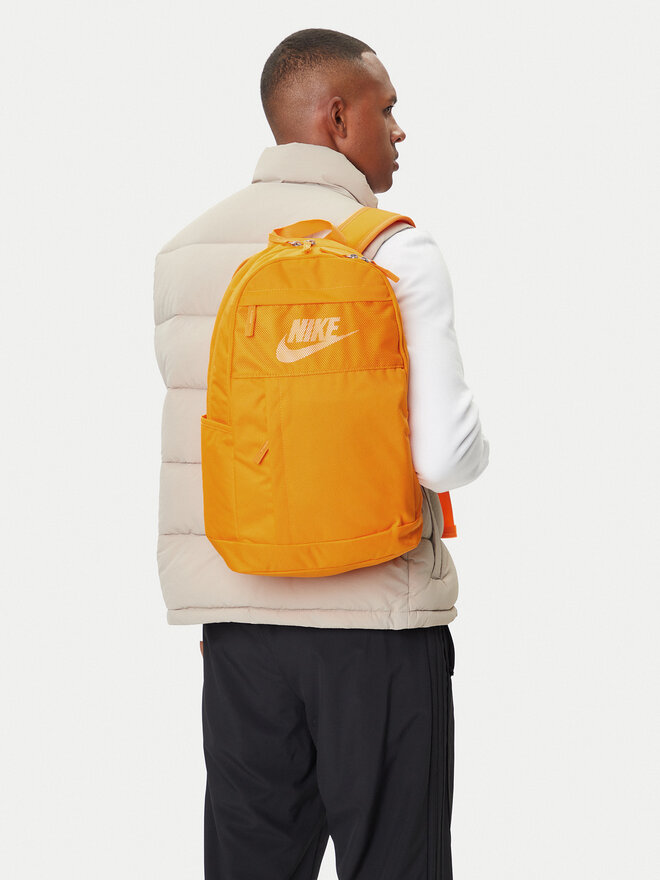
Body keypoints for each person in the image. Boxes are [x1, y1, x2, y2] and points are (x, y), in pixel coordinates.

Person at [153, 28, 489, 880]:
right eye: (387, 109)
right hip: (378, 626)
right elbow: (446, 459)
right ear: (338, 118)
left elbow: (209, 445)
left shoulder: (187, 254)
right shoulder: (392, 247)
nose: (400, 130)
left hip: (239, 630)